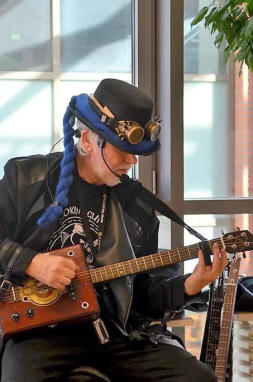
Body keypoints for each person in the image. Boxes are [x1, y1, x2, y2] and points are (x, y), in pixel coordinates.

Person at [0, 78, 227, 382]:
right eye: (122, 150)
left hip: (115, 331)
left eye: (136, 153)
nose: (131, 161)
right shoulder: (26, 179)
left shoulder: (138, 207)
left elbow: (142, 293)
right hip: (38, 333)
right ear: (87, 140)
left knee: (200, 379)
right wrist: (31, 261)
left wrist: (188, 286)